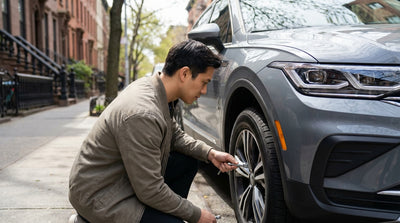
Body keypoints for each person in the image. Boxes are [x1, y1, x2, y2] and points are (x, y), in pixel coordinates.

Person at [68, 39, 238, 223]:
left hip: (121, 180)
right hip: (99, 196)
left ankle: (160, 214)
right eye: (204, 82)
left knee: (188, 160)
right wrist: (196, 215)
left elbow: (175, 136)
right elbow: (149, 189)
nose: (204, 90)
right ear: (185, 74)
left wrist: (210, 153)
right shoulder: (143, 113)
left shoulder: (157, 91)